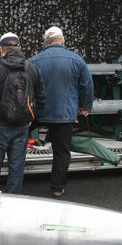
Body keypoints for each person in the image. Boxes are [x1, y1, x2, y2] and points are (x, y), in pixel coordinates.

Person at [0, 32, 45, 194]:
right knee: (17, 164)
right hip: (22, 125)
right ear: (20, 48)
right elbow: (41, 98)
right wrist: (31, 118)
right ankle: (12, 199)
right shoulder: (33, 69)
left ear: (1, 50)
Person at [30, 26, 93, 197]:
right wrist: (85, 106)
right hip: (64, 113)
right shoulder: (77, 60)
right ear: (63, 41)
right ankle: (57, 188)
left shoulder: (33, 61)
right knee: (61, 151)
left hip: (37, 112)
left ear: (45, 42)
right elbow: (87, 86)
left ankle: (15, 182)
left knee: (18, 143)